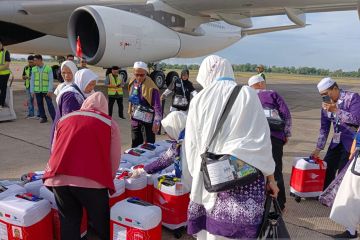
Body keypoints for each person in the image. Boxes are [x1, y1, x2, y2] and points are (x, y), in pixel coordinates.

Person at [184, 55, 278, 239]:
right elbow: (263, 141)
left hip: (212, 179)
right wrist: (271, 179)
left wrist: (197, 178)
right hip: (246, 179)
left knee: (212, 234)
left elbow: (192, 146)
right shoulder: (248, 94)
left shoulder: (199, 98)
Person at [43, 92, 121, 240]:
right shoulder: (109, 123)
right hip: (92, 182)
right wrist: (108, 179)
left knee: (69, 222)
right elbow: (115, 157)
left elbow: (54, 149)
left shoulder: (64, 119)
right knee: (101, 225)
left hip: (59, 179)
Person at [248, 74, 292, 211]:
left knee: (257, 170)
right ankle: (280, 204)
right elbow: (286, 114)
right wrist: (286, 134)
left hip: (255, 138)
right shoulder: (272, 94)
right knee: (276, 170)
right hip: (274, 137)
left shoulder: (248, 96)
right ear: (260, 83)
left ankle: (258, 202)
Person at [312, 77, 360, 189]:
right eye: (322, 95)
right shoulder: (326, 105)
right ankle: (324, 194)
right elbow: (324, 128)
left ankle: (339, 199)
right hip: (336, 142)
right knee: (328, 166)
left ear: (334, 88)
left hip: (351, 142)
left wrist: (336, 110)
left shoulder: (352, 98)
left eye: (326, 93)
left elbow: (357, 119)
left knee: (344, 172)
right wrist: (318, 148)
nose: (324, 97)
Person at [131, 111, 187, 178]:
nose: (167, 134)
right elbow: (163, 161)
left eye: (168, 131)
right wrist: (141, 171)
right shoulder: (179, 143)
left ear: (175, 128)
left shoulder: (189, 144)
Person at [51, 69, 98, 146]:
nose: (92, 88)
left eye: (94, 85)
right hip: (67, 136)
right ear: (83, 82)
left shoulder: (83, 92)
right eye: (90, 84)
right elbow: (70, 121)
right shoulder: (71, 96)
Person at [330, 129, 360, 239]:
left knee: (353, 194)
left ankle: (351, 230)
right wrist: (353, 151)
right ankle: (350, 229)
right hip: (357, 159)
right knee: (350, 194)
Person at [128, 61, 162, 147]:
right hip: (135, 120)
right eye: (136, 74)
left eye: (142, 75)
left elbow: (157, 106)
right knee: (135, 145)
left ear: (146, 73)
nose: (139, 77)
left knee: (148, 147)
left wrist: (156, 122)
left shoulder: (152, 87)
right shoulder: (132, 82)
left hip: (147, 122)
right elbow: (131, 100)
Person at [30, 54, 56, 123]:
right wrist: (32, 91)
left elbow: (51, 80)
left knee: (49, 104)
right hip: (37, 90)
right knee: (40, 104)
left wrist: (50, 90)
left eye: (35, 60)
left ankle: (55, 118)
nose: (34, 62)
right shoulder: (33, 69)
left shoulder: (48, 68)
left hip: (46, 91)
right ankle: (43, 117)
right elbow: (32, 80)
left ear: (40, 60)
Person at [0, 38, 11, 110]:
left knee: (3, 89)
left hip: (4, 74)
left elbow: (7, 64)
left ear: (2, 44)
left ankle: (1, 104)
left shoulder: (6, 52)